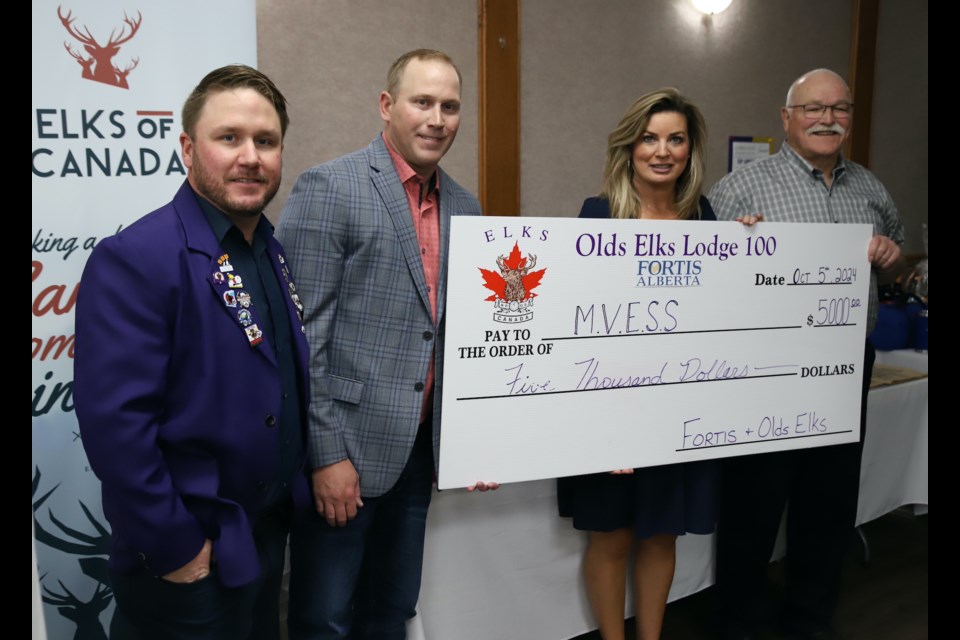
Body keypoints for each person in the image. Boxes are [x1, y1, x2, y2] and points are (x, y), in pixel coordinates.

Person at [74, 64, 308, 640]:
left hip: (261, 542)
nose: (250, 156)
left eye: (266, 141)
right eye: (228, 138)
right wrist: (179, 549)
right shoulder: (136, 258)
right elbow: (116, 430)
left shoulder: (270, 251)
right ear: (187, 148)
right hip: (187, 559)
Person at [276, 49, 497, 639]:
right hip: (344, 455)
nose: (436, 119)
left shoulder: (466, 207)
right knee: (324, 620)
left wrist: (476, 443)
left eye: (449, 107)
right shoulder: (330, 186)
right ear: (387, 105)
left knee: (392, 611)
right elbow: (303, 340)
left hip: (417, 454)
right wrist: (326, 456)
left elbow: (463, 339)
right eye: (422, 102)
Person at [708, 68, 904, 640]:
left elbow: (893, 253)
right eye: (814, 108)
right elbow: (707, 271)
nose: (828, 118)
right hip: (767, 368)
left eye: (840, 108)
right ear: (786, 117)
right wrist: (734, 245)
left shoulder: (869, 186)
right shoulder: (743, 188)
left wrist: (891, 254)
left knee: (829, 502)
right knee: (754, 502)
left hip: (844, 365)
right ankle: (739, 622)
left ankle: (809, 619)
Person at [557, 88, 750, 640]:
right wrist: (605, 427)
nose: (662, 151)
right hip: (611, 409)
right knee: (612, 536)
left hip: (677, 412)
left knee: (661, 535)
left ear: (690, 149)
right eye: (649, 138)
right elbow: (578, 327)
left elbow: (724, 312)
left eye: (675, 139)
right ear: (629, 146)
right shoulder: (597, 215)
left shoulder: (706, 219)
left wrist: (750, 248)